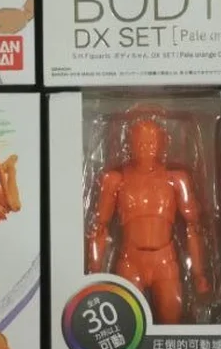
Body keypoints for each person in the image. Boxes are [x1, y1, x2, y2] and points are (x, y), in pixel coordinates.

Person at [87, 117, 209, 325]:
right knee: (127, 326)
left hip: (165, 261)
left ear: (162, 144)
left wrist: (198, 273)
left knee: (171, 324)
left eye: (151, 142)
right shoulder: (115, 180)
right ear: (130, 145)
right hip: (130, 261)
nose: (146, 147)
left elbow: (193, 228)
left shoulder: (176, 179)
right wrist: (94, 271)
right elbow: (100, 228)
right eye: (140, 142)